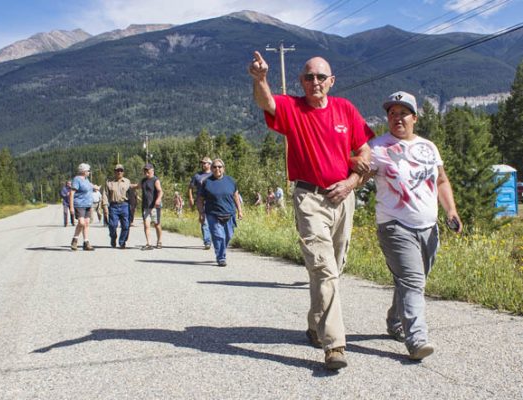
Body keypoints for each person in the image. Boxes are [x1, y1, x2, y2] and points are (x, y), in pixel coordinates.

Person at [249, 51, 374, 370]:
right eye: (309, 77)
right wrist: (260, 79)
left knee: (336, 266)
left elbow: (364, 151)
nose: (315, 81)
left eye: (321, 77)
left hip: (344, 197)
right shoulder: (292, 108)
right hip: (310, 198)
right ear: (300, 82)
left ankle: (316, 323)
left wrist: (352, 182)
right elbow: (267, 103)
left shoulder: (345, 109)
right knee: (323, 268)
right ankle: (335, 346)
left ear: (331, 81)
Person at [368, 91, 462, 361]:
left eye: (403, 113)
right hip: (395, 226)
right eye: (392, 113)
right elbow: (360, 173)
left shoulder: (428, 147)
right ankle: (417, 339)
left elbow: (441, 181)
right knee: (413, 281)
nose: (397, 118)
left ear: (415, 118)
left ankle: (396, 321)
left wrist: (451, 210)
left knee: (411, 280)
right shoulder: (378, 148)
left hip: (429, 227)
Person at [196, 159, 243, 267]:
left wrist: (239, 210)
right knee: (218, 236)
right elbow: (200, 199)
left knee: (228, 236)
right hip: (213, 214)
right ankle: (221, 257)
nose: (217, 169)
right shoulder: (207, 182)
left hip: (229, 213)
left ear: (223, 168)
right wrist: (201, 213)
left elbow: (236, 196)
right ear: (211, 169)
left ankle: (221, 250)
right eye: (215, 167)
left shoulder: (231, 181)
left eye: (219, 167)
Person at [69, 164, 99, 251]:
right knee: (81, 223)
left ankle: (86, 242)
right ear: (83, 171)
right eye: (88, 171)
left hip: (88, 204)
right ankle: (75, 239)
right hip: (79, 204)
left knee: (86, 223)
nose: (89, 172)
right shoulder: (77, 179)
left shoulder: (86, 179)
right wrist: (71, 207)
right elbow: (72, 193)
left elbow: (90, 185)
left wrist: (95, 187)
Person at [102, 164, 132, 249]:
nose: (119, 172)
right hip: (113, 206)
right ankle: (113, 237)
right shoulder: (109, 182)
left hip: (124, 205)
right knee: (112, 225)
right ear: (114, 171)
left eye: (121, 170)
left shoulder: (127, 181)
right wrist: (104, 206)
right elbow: (105, 194)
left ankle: (122, 242)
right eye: (117, 170)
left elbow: (131, 193)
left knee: (126, 226)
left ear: (123, 172)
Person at [188, 156, 213, 250]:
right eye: (202, 163)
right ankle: (207, 241)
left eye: (205, 163)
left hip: (212, 200)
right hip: (200, 201)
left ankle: (214, 238)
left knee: (213, 220)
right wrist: (191, 198)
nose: (203, 164)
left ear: (210, 164)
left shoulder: (213, 174)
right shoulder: (197, 175)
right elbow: (190, 187)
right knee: (204, 220)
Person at [139, 163, 164, 250]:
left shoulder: (155, 180)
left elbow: (160, 191)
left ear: (152, 171)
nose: (146, 172)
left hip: (154, 207)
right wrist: (128, 186)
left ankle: (159, 241)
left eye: (148, 170)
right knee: (146, 225)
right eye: (145, 170)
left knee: (157, 224)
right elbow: (137, 186)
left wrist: (158, 199)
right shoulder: (143, 181)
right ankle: (149, 243)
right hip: (145, 206)